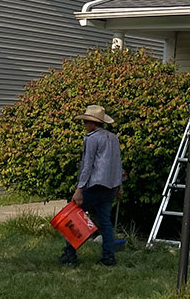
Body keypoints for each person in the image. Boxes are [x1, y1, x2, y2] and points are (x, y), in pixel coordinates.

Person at [59, 105, 123, 266]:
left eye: (86, 122)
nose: (85, 125)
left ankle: (70, 254)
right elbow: (118, 163)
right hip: (110, 186)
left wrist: (79, 189)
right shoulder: (113, 138)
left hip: (95, 184)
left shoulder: (91, 138)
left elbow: (87, 165)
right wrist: (119, 186)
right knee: (105, 221)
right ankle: (108, 257)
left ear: (93, 123)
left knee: (73, 214)